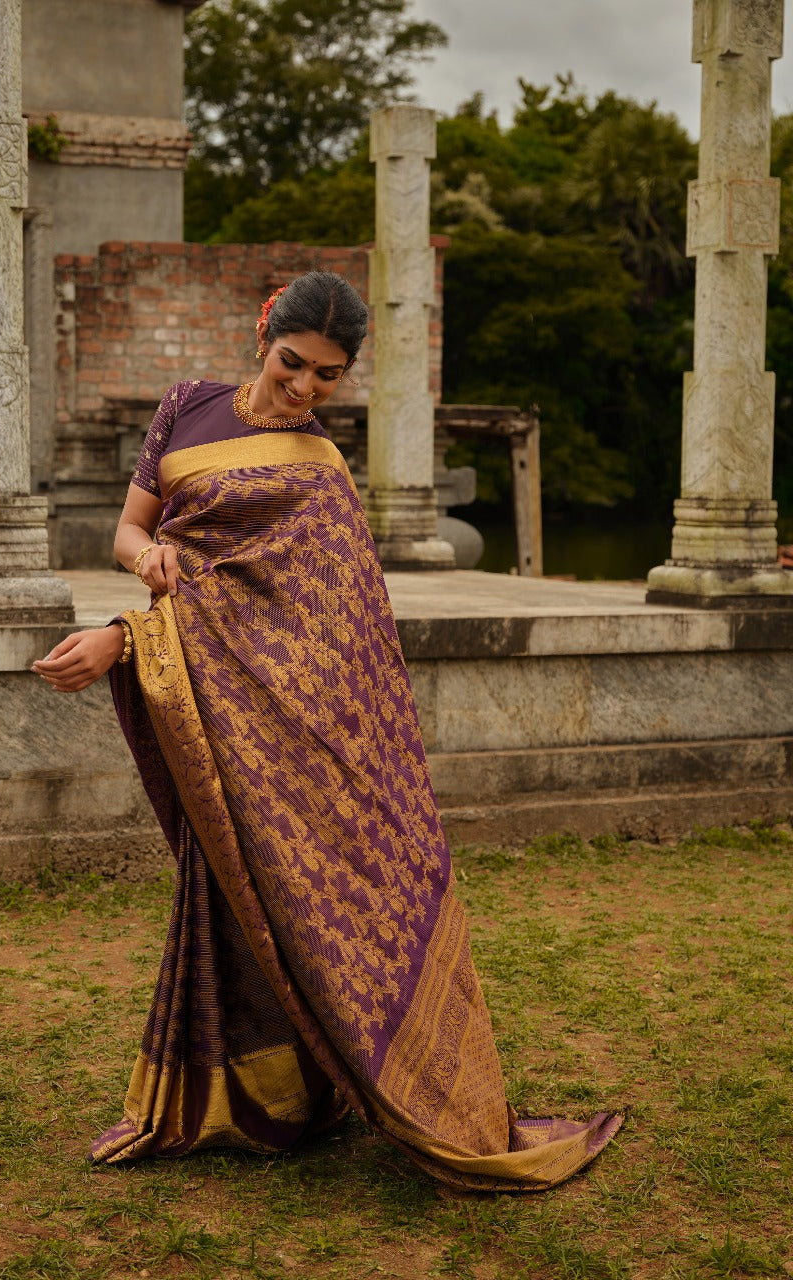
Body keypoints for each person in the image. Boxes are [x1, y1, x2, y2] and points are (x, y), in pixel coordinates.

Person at [31, 271, 622, 1190]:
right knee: (221, 883)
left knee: (309, 898)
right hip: (210, 699)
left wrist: (121, 637)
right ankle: (253, 1094)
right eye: (292, 363)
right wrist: (150, 565)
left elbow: (316, 631)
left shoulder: (319, 476)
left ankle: (338, 1082)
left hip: (291, 726)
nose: (303, 389)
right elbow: (130, 532)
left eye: (329, 377)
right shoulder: (186, 407)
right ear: (264, 335)